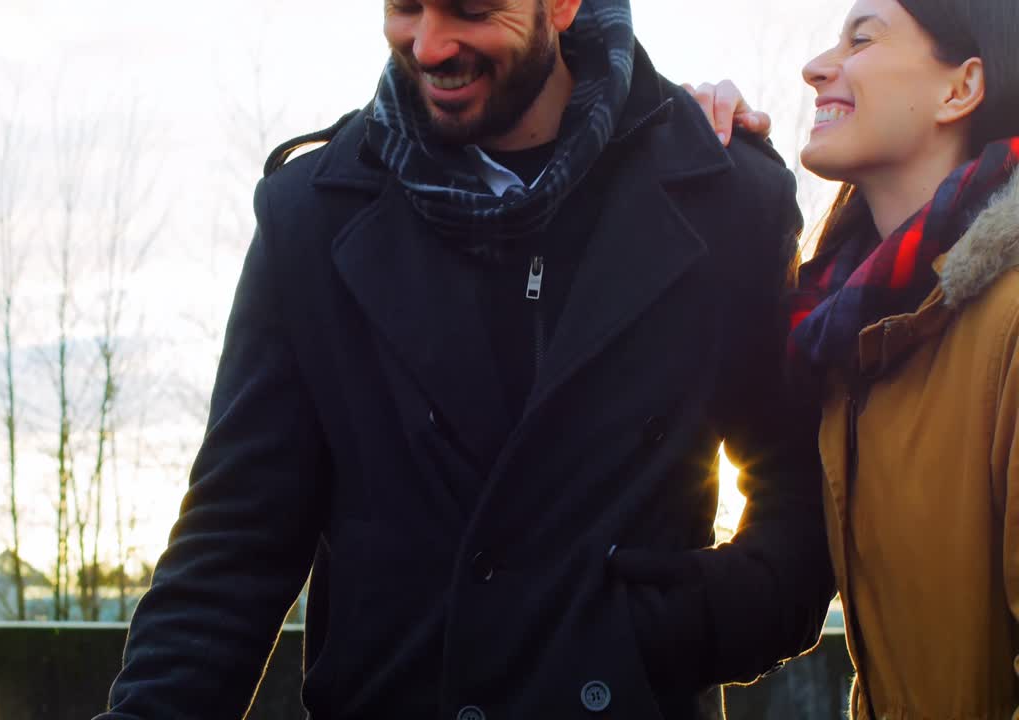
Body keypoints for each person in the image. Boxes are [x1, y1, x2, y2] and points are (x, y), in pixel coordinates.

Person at [97, 1, 835, 718]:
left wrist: (653, 633)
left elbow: (801, 505)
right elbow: (234, 543)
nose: (429, 44)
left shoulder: (729, 198)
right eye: (406, 7)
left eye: (471, 9)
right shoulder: (311, 215)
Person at [690, 0, 1019, 717]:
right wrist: (674, 148)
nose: (814, 68)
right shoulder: (855, 340)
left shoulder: (1009, 324)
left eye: (861, 39)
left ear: (960, 89)